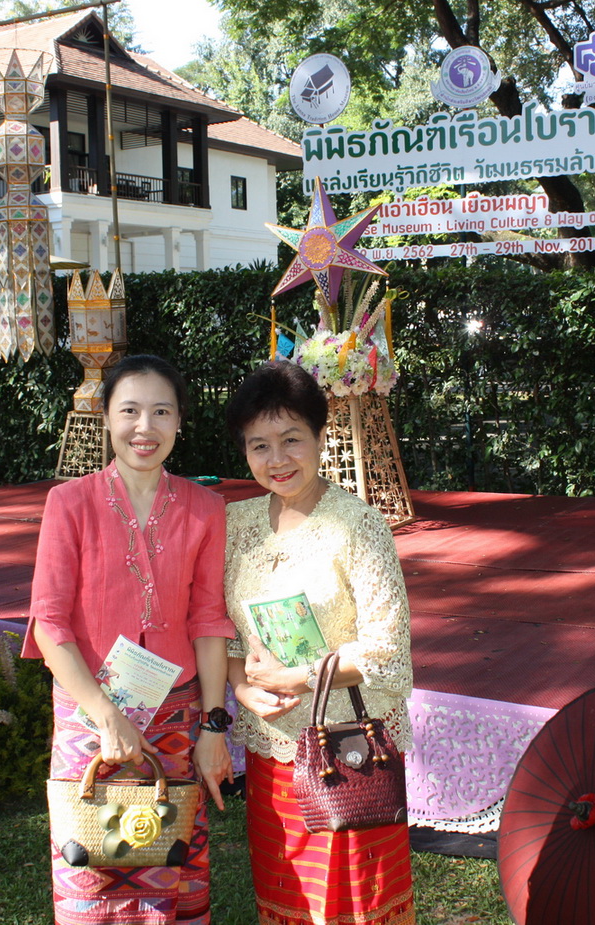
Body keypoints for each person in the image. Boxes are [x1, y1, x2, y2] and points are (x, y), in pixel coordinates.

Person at [24, 354, 235, 925]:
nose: (145, 427)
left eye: (161, 411)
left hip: (175, 716)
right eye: (131, 411)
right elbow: (50, 625)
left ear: (179, 422)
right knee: (90, 867)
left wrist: (214, 727)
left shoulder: (206, 508)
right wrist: (105, 716)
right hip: (88, 715)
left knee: (171, 865)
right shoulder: (68, 503)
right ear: (106, 417)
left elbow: (210, 621)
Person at [224, 360, 415, 925]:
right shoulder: (238, 524)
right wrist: (242, 687)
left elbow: (389, 652)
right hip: (271, 748)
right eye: (259, 446)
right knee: (288, 898)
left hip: (351, 750)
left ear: (320, 437)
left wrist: (298, 678)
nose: (276, 459)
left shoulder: (359, 525)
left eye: (291, 440)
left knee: (357, 901)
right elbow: (225, 629)